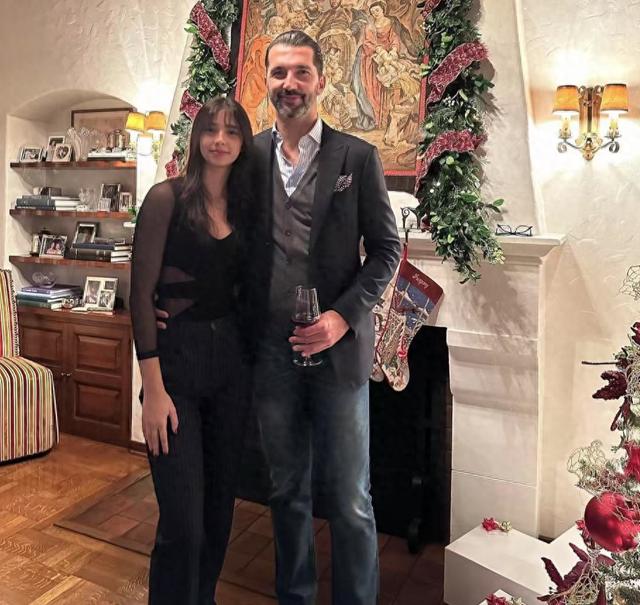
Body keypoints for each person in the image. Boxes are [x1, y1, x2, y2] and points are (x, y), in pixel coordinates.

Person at [249, 30, 401, 605]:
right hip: (272, 356)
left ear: (321, 80)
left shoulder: (357, 157)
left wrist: (342, 317)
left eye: (301, 72)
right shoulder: (249, 157)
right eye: (279, 72)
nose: (289, 83)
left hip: (339, 356)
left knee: (350, 499)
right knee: (286, 491)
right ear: (267, 81)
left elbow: (386, 250)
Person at [130, 96, 255, 605]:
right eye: (210, 129)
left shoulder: (246, 208)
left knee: (219, 514)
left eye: (231, 131)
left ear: (244, 143)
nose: (220, 140)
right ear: (196, 136)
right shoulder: (166, 199)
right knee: (183, 524)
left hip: (232, 372)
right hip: (174, 372)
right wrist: (153, 391)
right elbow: (140, 295)